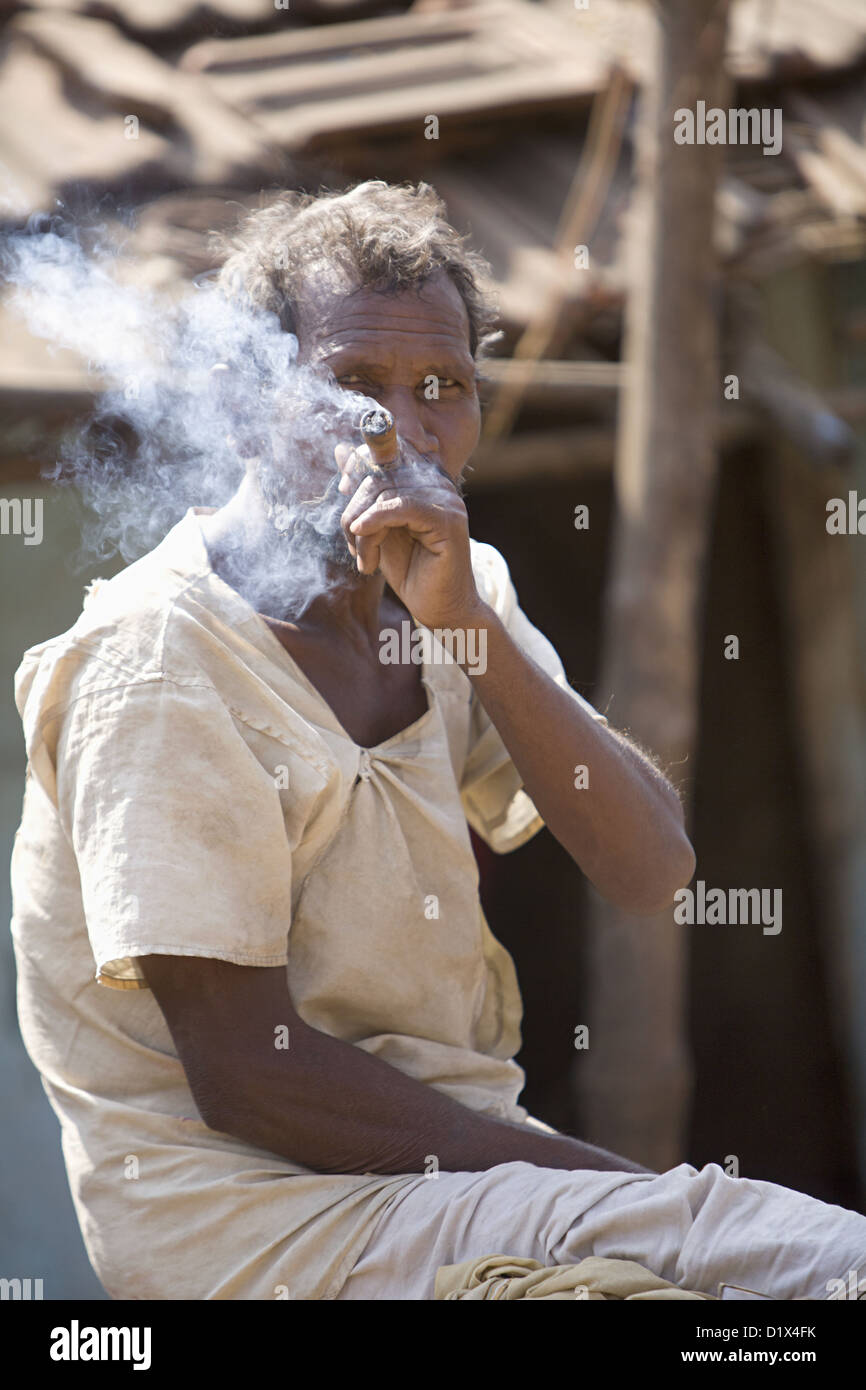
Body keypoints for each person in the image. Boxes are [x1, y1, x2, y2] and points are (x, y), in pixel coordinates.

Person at [10, 182, 865, 1302]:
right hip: (251, 1220)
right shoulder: (157, 659)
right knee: (808, 1263)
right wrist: (606, 1188)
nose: (400, 435)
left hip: (453, 1179)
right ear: (243, 402)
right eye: (351, 387)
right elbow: (248, 1079)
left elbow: (651, 867)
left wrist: (468, 632)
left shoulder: (457, 597)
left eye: (440, 391)